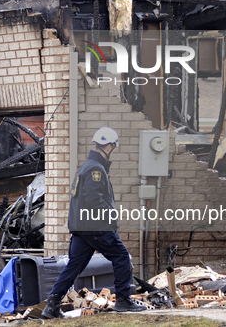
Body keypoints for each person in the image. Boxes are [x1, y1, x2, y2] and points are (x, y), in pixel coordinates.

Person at [42, 127, 146, 318]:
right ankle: (123, 300)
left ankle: (52, 305)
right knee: (122, 257)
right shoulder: (95, 169)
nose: (112, 150)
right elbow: (93, 200)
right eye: (113, 147)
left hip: (82, 229)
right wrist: (111, 217)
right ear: (108, 147)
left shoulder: (86, 166)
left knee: (74, 266)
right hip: (96, 227)